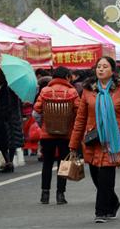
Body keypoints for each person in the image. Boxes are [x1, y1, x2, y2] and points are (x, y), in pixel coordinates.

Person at [69, 57, 120, 223]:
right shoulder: (87, 90)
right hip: (93, 139)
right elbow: (80, 119)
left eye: (104, 66)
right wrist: (73, 144)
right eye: (98, 66)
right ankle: (113, 201)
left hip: (113, 141)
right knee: (96, 176)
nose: (100, 69)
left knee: (106, 175)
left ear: (112, 71)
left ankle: (101, 211)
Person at [33, 66, 79, 205]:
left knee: (47, 163)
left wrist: (44, 125)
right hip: (66, 134)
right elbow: (79, 112)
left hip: (47, 134)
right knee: (63, 164)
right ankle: (60, 194)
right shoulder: (72, 91)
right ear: (67, 77)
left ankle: (44, 194)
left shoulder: (45, 91)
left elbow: (36, 111)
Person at [0, 69, 24, 173]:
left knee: (3, 142)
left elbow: (5, 105)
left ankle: (8, 161)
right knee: (12, 142)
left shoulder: (4, 90)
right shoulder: (13, 89)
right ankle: (9, 161)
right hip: (14, 118)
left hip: (5, 118)